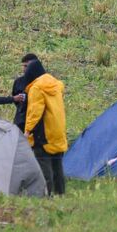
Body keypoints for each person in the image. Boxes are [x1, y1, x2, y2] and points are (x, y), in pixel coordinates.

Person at [22, 56, 68, 195]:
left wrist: (28, 131)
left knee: (44, 166)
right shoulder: (56, 85)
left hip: (44, 134)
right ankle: (61, 193)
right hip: (58, 130)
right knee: (57, 165)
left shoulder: (37, 88)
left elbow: (34, 112)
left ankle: (46, 195)